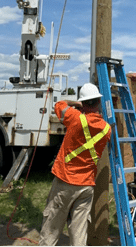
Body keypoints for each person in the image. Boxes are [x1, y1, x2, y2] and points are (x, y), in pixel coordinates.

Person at [38, 83, 111, 246]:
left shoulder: (75, 118)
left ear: (83, 103)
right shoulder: (106, 129)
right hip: (86, 186)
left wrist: (75, 104)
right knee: (79, 233)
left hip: (65, 182)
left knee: (52, 227)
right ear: (98, 102)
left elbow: (59, 105)